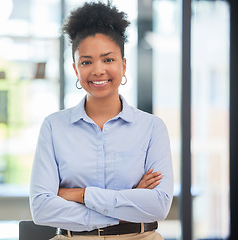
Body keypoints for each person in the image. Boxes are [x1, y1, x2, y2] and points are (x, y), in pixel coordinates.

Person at [29, 1, 174, 239]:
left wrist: (81, 195)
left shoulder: (151, 128)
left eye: (108, 60)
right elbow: (42, 209)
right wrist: (127, 202)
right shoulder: (54, 127)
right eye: (86, 62)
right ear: (76, 70)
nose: (98, 70)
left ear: (123, 65)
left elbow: (158, 205)